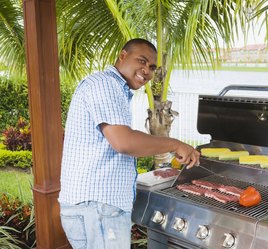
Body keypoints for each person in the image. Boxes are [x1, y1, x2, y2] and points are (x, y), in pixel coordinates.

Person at [58, 38, 200, 249]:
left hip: (96, 208)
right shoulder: (105, 85)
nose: (147, 71)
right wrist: (175, 144)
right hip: (97, 208)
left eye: (152, 67)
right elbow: (124, 142)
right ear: (123, 55)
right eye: (141, 61)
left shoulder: (113, 87)